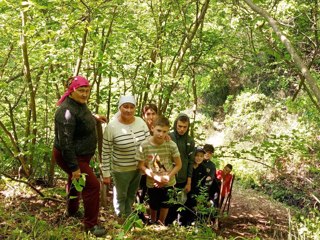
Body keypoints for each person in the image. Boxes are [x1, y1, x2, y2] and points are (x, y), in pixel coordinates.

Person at [53, 76, 107, 237]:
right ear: (71, 92)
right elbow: (65, 143)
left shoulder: (79, 105)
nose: (85, 94)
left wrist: (94, 117)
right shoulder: (65, 112)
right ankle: (91, 226)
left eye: (87, 90)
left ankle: (72, 210)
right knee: (92, 186)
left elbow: (81, 117)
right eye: (81, 91)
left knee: (75, 181)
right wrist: (74, 167)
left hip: (81, 155)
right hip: (71, 156)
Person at [101, 95, 150, 218]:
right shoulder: (112, 127)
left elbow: (149, 142)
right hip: (121, 170)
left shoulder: (140, 122)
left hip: (138, 168)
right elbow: (106, 151)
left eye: (131, 107)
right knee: (120, 196)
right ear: (120, 108)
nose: (129, 110)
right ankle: (120, 220)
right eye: (125, 107)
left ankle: (128, 218)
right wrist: (106, 173)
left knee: (131, 195)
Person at [136, 116, 182, 225]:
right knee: (153, 203)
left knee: (165, 204)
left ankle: (161, 223)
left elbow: (179, 165)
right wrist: (155, 177)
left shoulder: (171, 145)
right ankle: (152, 221)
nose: (161, 134)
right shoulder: (144, 145)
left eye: (164, 131)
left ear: (168, 132)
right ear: (152, 128)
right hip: (152, 182)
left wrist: (167, 177)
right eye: (158, 130)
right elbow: (141, 166)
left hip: (168, 182)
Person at [166, 113, 195, 225]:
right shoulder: (168, 136)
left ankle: (178, 226)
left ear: (188, 127)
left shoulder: (190, 141)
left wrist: (189, 182)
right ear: (175, 125)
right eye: (179, 126)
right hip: (168, 176)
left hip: (182, 178)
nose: (182, 129)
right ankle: (164, 224)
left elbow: (191, 162)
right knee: (167, 203)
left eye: (184, 127)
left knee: (180, 203)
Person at [136, 103, 159, 222]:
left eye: (153, 114)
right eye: (148, 114)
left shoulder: (159, 129)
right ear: (143, 115)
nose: (151, 116)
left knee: (152, 194)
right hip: (140, 166)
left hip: (154, 167)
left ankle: (153, 219)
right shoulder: (138, 128)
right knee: (140, 191)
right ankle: (138, 216)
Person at [179, 147, 207, 226]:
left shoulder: (203, 168)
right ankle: (180, 224)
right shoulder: (188, 165)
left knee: (191, 210)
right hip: (185, 191)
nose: (199, 158)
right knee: (182, 209)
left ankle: (189, 225)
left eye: (201, 156)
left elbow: (203, 184)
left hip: (195, 193)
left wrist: (200, 196)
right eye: (197, 155)